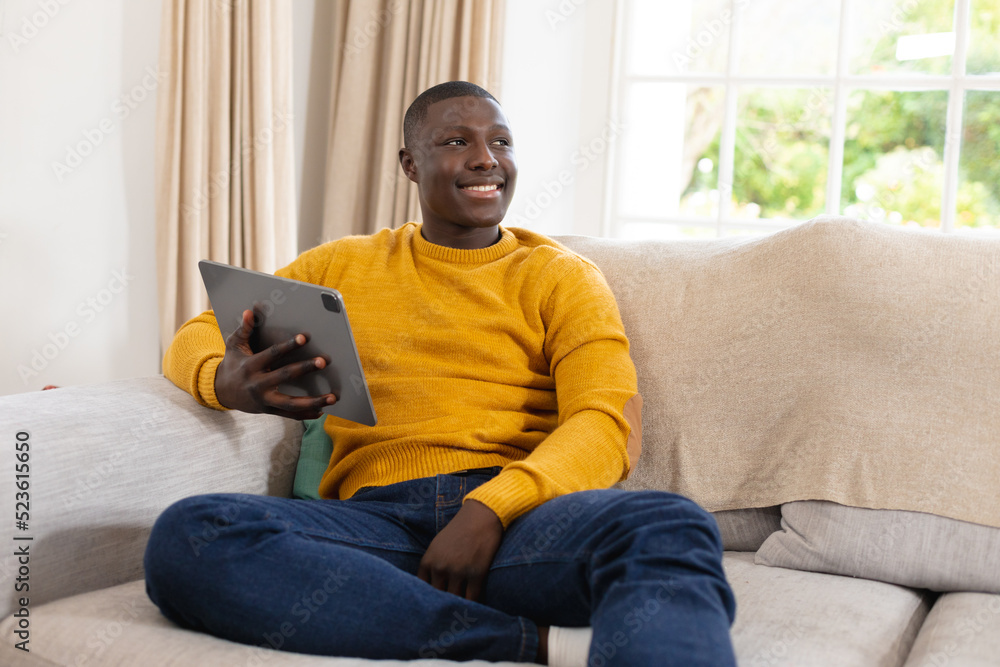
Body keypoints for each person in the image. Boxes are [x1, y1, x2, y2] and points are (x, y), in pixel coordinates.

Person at [144, 81, 737, 666]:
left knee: (667, 524)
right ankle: (531, 644)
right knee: (190, 535)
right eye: (457, 141)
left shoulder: (563, 276)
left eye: (501, 143)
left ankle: (418, 614)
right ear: (410, 163)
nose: (487, 159)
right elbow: (198, 332)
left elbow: (606, 423)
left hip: (520, 529)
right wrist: (221, 380)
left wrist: (490, 509)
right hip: (376, 530)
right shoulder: (343, 264)